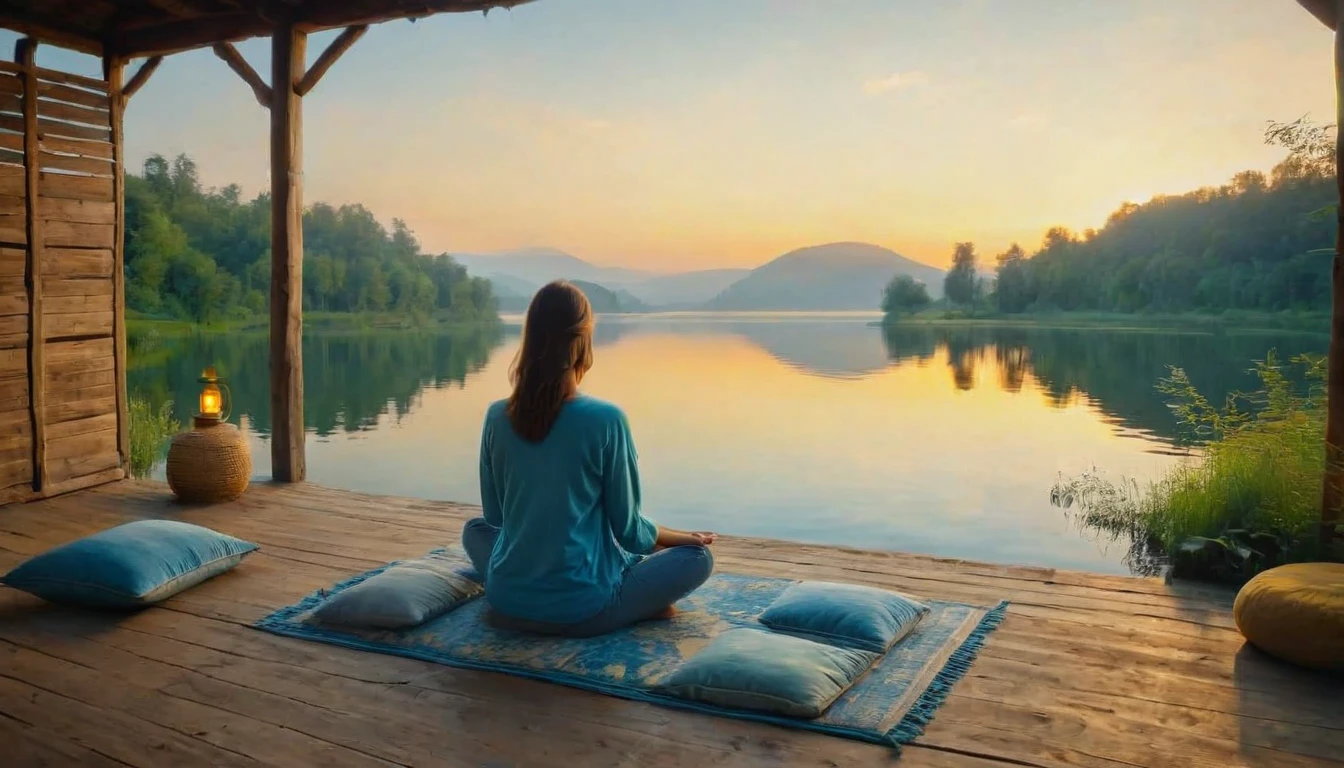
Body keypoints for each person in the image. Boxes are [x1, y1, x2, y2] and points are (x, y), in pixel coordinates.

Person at [461, 280, 715, 637]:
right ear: (582, 342)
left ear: (530, 338)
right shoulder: (605, 419)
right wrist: (684, 538)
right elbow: (630, 534)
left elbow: (495, 516)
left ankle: (540, 588)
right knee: (697, 559)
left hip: (507, 600)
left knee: (474, 530)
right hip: (581, 610)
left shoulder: (497, 415)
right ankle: (637, 605)